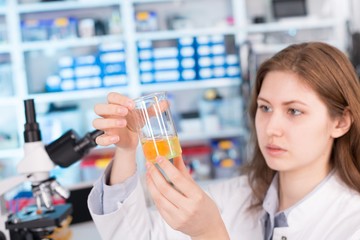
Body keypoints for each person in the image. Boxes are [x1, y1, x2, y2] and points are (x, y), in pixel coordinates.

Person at [87, 42, 360, 240]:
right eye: (265, 108)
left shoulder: (352, 223)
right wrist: (126, 149)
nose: (271, 128)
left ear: (340, 122)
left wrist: (209, 233)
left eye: (294, 111)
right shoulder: (232, 196)